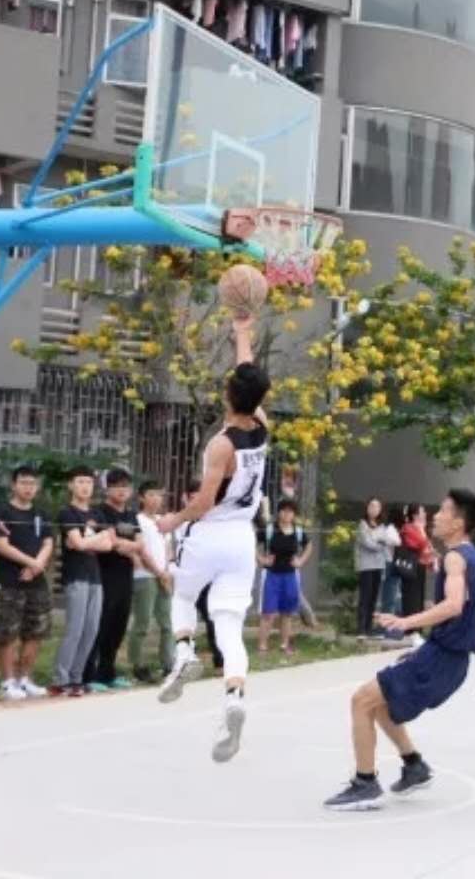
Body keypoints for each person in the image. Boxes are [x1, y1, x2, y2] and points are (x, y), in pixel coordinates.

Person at [323, 488, 475, 811]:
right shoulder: (473, 557)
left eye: (444, 511)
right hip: (449, 658)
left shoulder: (455, 557)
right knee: (380, 704)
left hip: (441, 657)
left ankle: (365, 784)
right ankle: (414, 765)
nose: (436, 515)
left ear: (458, 522)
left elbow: (454, 605)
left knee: (361, 701)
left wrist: (405, 621)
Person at [157, 316, 271, 765]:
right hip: (243, 538)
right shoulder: (262, 425)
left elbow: (203, 502)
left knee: (181, 594)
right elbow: (249, 377)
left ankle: (184, 652)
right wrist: (243, 333)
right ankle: (234, 697)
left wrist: (173, 520)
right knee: (228, 623)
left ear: (227, 395)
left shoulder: (220, 445)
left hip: (210, 532)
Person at [0, 465, 55, 701]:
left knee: (35, 632)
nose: (29, 487)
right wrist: (31, 562)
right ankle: (7, 683)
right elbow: (1, 545)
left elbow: (48, 543)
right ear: (14, 485)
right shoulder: (2, 511)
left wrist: (37, 565)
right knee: (7, 633)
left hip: (37, 582)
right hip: (10, 581)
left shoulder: (41, 513)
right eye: (24, 482)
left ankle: (25, 679)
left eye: (33, 483)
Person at [52, 468, 111, 696]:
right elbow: (78, 544)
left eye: (88, 482)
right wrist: (96, 538)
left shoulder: (97, 514)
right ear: (71, 485)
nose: (85, 486)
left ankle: (76, 677)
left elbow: (108, 545)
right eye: (80, 481)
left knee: (91, 629)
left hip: (95, 577)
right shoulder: (67, 513)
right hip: (76, 576)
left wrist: (87, 541)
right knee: (75, 628)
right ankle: (61, 679)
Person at [88, 468, 141, 690]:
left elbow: (139, 543)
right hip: (104, 574)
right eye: (117, 486)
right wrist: (126, 546)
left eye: (125, 486)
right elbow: (108, 541)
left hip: (125, 576)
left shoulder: (131, 515)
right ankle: (91, 675)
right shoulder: (99, 512)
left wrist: (124, 546)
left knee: (118, 625)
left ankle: (108, 673)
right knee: (101, 623)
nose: (121, 490)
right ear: (107, 489)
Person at [128, 480, 176, 683]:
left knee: (168, 623)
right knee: (143, 622)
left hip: (163, 576)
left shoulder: (162, 521)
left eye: (159, 495)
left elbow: (167, 549)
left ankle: (168, 663)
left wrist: (167, 572)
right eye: (151, 495)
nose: (157, 499)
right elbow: (141, 551)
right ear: (141, 497)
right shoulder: (137, 520)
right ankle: (137, 664)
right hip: (145, 576)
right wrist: (158, 572)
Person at [257, 499, 313, 655]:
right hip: (271, 575)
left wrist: (301, 561)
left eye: (290, 511)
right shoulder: (270, 530)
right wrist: (261, 559)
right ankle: (262, 646)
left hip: (290, 576)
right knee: (268, 613)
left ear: (294, 514)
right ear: (279, 512)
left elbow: (309, 545)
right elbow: (251, 542)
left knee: (287, 613)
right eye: (284, 510)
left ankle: (284, 645)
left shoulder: (298, 532)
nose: (287, 514)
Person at [354, 499, 390, 638]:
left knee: (374, 597)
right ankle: (361, 629)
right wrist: (380, 543)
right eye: (372, 506)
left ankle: (369, 628)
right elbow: (368, 543)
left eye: (377, 506)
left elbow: (386, 541)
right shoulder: (362, 524)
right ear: (367, 508)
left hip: (379, 565)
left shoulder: (382, 526)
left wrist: (379, 541)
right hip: (366, 565)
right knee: (365, 596)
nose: (374, 509)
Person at [397, 503, 436, 618]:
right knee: (411, 598)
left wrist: (432, 558)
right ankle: (411, 626)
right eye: (422, 511)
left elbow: (428, 547)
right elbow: (420, 544)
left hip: (420, 567)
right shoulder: (408, 528)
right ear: (415, 515)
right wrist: (422, 530)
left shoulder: (420, 528)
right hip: (411, 567)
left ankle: (417, 625)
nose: (425, 514)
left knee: (419, 597)